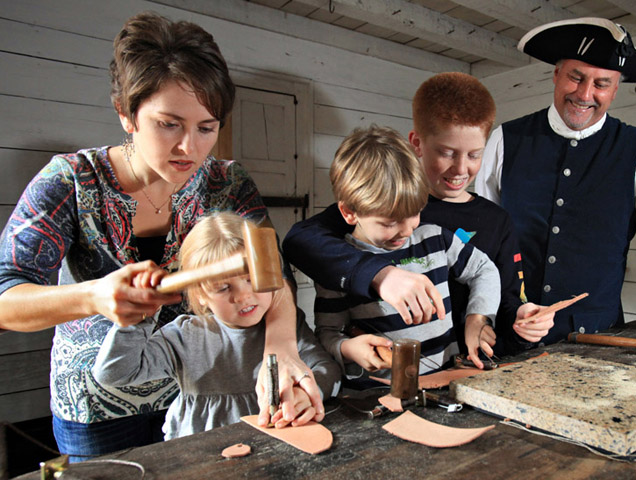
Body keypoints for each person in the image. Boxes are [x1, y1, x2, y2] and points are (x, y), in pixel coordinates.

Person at [0, 12, 320, 459]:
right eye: (169, 124)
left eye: (206, 128)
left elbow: (274, 276)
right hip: (97, 408)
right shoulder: (71, 181)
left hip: (199, 397)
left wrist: (282, 348)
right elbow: (6, 296)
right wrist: (94, 297)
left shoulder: (226, 184)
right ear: (127, 114)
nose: (190, 147)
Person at [475, 17, 636, 347]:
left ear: (615, 90)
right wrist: (479, 316)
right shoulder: (506, 140)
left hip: (599, 341)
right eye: (576, 77)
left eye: (601, 83)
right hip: (510, 335)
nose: (585, 94)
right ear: (556, 75)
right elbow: (483, 245)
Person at [284, 73, 554, 359]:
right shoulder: (383, 202)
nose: (461, 169)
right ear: (417, 143)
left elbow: (507, 296)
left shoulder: (496, 221)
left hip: (460, 366)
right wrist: (380, 275)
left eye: (474, 155)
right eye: (447, 152)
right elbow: (299, 242)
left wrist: (521, 319)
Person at [92, 213, 340, 439]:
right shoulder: (185, 336)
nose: (243, 297)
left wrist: (306, 393)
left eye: (251, 280)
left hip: (270, 445)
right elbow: (114, 374)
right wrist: (138, 320)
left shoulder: (288, 327)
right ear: (200, 295)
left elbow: (327, 370)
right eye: (223, 288)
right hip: (199, 452)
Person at [310, 125, 501, 384]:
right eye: (389, 223)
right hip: (381, 393)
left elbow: (483, 270)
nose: (406, 230)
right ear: (349, 212)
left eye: (414, 213)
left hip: (447, 383)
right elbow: (328, 333)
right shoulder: (339, 267)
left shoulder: (435, 237)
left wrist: (478, 319)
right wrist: (348, 348)